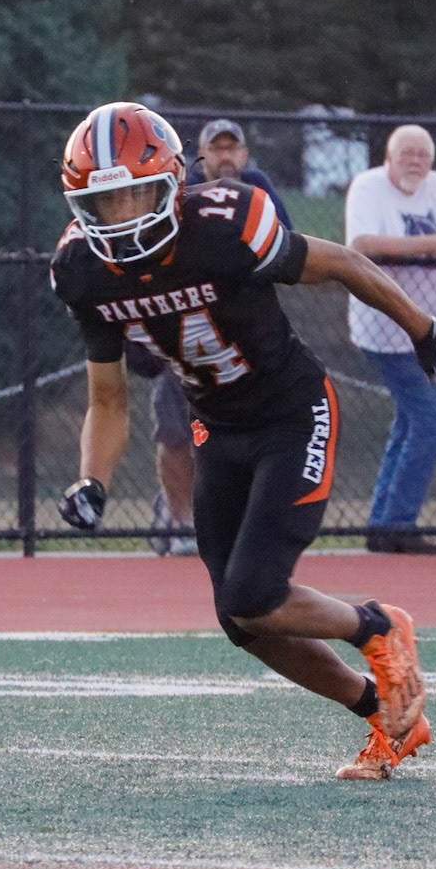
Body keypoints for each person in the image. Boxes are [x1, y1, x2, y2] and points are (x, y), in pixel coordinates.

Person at [49, 101, 436, 780]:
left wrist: (423, 329)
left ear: (172, 183)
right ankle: (385, 715)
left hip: (291, 413)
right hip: (216, 428)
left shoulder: (225, 226)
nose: (123, 216)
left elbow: (341, 261)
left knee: (253, 592)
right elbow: (107, 399)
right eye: (105, 201)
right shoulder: (82, 268)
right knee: (241, 620)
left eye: (135, 194)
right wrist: (91, 480)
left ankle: (377, 625)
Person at [142, 118, 294, 556]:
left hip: (241, 336)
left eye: (233, 148)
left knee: (240, 433)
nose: (225, 156)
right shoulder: (182, 189)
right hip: (185, 330)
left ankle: (227, 518)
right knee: (175, 430)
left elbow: (285, 248)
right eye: (217, 148)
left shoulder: (258, 188)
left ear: (244, 155)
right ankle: (178, 519)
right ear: (202, 155)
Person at [345, 125, 436, 554]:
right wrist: (434, 244)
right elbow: (362, 243)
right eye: (407, 153)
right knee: (430, 420)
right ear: (388, 157)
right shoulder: (368, 187)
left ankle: (381, 525)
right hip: (385, 329)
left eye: (423, 154)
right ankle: (398, 524)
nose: (416, 161)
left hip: (434, 330)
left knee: (410, 422)